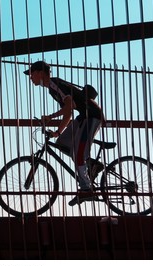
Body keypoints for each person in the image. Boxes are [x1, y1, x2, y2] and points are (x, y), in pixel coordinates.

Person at [24, 61, 105, 206]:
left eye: (32, 73)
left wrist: (50, 117)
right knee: (61, 143)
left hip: (92, 116)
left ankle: (87, 190)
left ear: (40, 73)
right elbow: (68, 114)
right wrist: (58, 132)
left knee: (78, 153)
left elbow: (69, 107)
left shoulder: (55, 84)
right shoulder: (51, 89)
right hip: (82, 116)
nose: (30, 77)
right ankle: (91, 165)